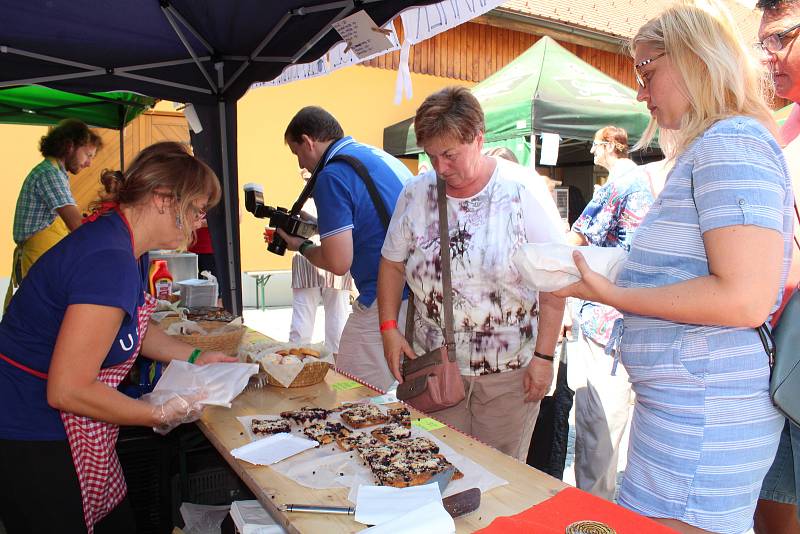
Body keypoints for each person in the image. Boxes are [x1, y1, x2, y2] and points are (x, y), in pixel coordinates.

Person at [556, 1, 794, 531]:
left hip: (705, 416)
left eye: (647, 71)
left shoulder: (732, 143)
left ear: (694, 60)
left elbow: (744, 298)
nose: (639, 92)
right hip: (688, 409)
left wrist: (612, 293)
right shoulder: (717, 143)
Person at [0, 141, 237, 533]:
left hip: (74, 428)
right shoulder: (107, 258)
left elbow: (135, 330)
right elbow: (68, 390)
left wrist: (196, 357)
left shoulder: (129, 244)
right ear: (163, 199)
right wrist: (157, 414)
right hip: (32, 431)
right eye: (197, 209)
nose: (200, 222)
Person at [377, 86, 566, 460]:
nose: (440, 169)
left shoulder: (521, 190)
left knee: (501, 478)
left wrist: (544, 359)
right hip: (435, 368)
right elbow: (392, 262)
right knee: (438, 466)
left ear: (478, 139)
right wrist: (388, 328)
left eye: (450, 155)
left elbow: (555, 282)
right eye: (431, 156)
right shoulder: (416, 194)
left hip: (510, 375)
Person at [277, 106, 412, 392]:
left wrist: (300, 245)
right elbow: (373, 220)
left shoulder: (332, 175)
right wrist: (316, 225)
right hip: (420, 292)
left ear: (309, 141)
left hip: (386, 296)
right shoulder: (374, 157)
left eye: (297, 153)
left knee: (346, 392)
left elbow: (338, 262)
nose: (301, 164)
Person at [566, 126, 654, 500]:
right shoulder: (651, 181)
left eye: (595, 145)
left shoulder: (623, 185)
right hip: (649, 329)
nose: (591, 151)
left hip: (611, 327)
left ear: (606, 148)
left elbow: (574, 245)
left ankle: (595, 519)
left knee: (600, 443)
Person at [755, 1, 800, 532]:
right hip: (781, 357)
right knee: (772, 512)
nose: (768, 56)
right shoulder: (783, 127)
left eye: (781, 39)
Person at [5, 119, 102, 309]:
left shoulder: (56, 173)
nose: (89, 163)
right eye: (88, 155)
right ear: (69, 146)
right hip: (38, 258)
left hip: (43, 257)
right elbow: (76, 225)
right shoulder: (50, 174)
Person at [289, 169, 353, 355]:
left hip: (324, 259)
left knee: (315, 320)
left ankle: (296, 363)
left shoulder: (303, 202)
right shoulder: (336, 196)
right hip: (326, 260)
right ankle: (335, 368)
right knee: (334, 320)